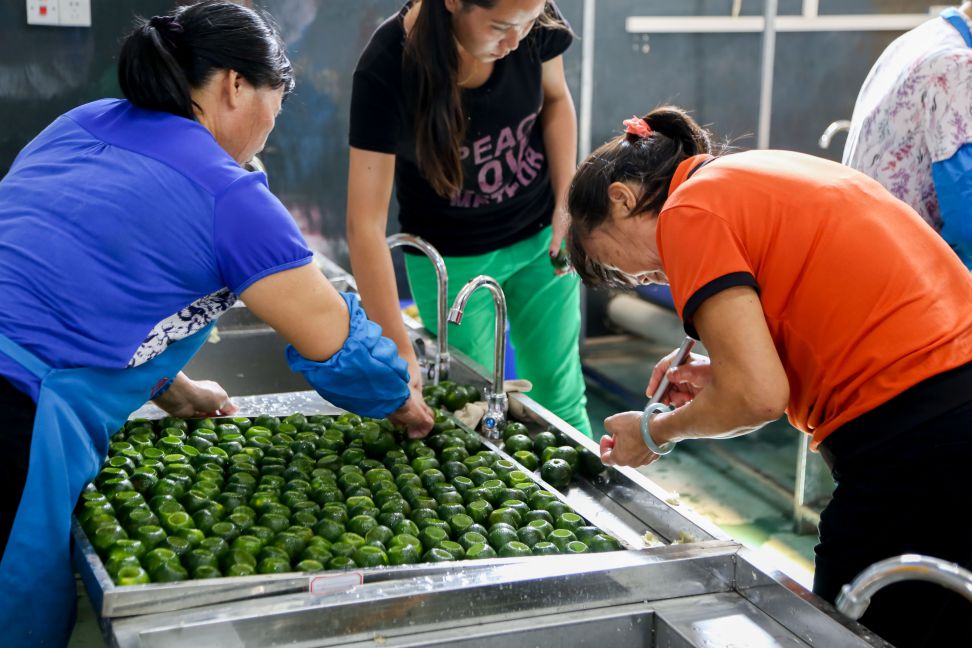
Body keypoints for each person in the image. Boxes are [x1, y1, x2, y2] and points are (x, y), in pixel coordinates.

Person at [0, 2, 432, 644]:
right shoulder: (228, 191)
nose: (267, 137)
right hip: (17, 408)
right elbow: (338, 344)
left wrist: (176, 390)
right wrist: (405, 405)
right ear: (235, 85)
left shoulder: (81, 123)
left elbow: (89, 288)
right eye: (274, 111)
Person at [566, 106, 972, 647]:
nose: (639, 278)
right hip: (948, 405)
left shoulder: (688, 212)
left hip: (917, 433)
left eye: (616, 266)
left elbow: (756, 396)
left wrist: (654, 432)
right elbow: (820, 322)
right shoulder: (752, 173)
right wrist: (720, 373)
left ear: (620, 199)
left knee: (842, 631)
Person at [347, 0, 592, 436]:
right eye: (501, 26)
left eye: (528, 24)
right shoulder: (387, 67)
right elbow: (364, 225)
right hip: (452, 261)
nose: (517, 41)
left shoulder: (528, 13)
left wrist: (565, 205)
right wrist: (397, 346)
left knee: (560, 392)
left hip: (541, 238)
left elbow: (556, 101)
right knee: (473, 411)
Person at [843, 3, 972, 268]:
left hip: (865, 261)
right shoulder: (958, 65)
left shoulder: (918, 40)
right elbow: (967, 217)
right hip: (906, 276)